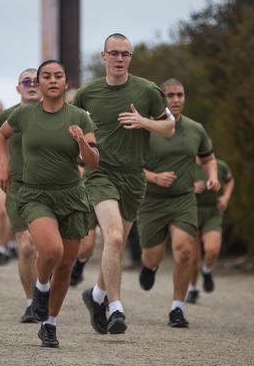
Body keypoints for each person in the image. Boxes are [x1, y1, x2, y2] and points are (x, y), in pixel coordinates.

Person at [74, 33, 175, 335]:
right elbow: (72, 130)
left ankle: (95, 297)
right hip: (100, 173)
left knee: (116, 246)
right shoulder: (86, 93)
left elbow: (169, 127)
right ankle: (115, 308)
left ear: (131, 58)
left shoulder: (147, 91)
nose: (120, 59)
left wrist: (144, 122)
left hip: (133, 176)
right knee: (114, 238)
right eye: (114, 53)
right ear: (103, 57)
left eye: (125, 54)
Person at [0, 60, 98, 347]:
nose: (52, 81)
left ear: (66, 83)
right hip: (35, 194)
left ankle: (50, 324)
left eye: (58, 76)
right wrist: (3, 165)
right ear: (38, 84)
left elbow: (93, 162)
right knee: (51, 250)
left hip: (71, 196)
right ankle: (40, 288)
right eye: (46, 77)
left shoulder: (80, 117)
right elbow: (1, 138)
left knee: (65, 266)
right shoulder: (24, 115)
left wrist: (82, 143)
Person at [136, 78, 219, 327]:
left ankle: (177, 308)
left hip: (183, 199)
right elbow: (129, 166)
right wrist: (154, 177)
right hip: (151, 201)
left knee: (184, 251)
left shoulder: (195, 129)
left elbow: (208, 159)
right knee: (152, 255)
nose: (175, 100)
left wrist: (213, 176)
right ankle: (149, 268)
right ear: (161, 99)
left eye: (180, 95)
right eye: (169, 95)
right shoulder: (146, 128)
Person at [0, 68, 42, 322]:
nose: (32, 85)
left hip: (48, 188)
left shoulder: (55, 112)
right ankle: (32, 302)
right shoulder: (7, 117)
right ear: (18, 88)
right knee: (27, 247)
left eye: (36, 81)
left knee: (46, 249)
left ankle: (44, 292)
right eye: (26, 81)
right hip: (17, 187)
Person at [185, 158, 234, 304]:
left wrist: (225, 197)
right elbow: (174, 185)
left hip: (212, 211)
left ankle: (206, 270)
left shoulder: (220, 165)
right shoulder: (185, 164)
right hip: (190, 210)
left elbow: (230, 180)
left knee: (212, 249)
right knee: (193, 258)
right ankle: (192, 289)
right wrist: (191, 188)